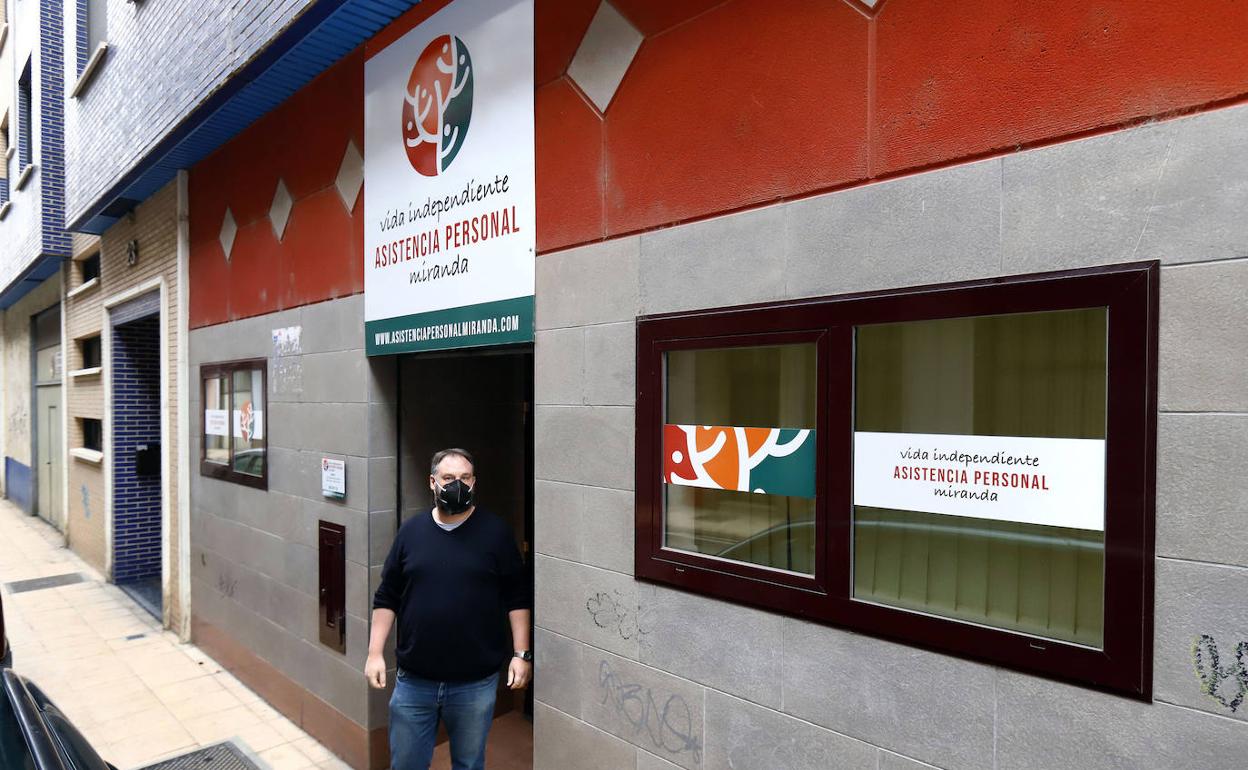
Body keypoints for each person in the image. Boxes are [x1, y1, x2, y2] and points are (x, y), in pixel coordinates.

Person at [366, 448, 532, 770]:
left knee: (469, 764)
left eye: (465, 478)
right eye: (448, 478)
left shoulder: (496, 534)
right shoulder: (411, 533)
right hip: (414, 681)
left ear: (474, 482)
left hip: (474, 683)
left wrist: (521, 654)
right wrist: (375, 653)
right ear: (432, 482)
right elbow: (387, 596)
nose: (457, 484)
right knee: (406, 765)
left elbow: (517, 597)